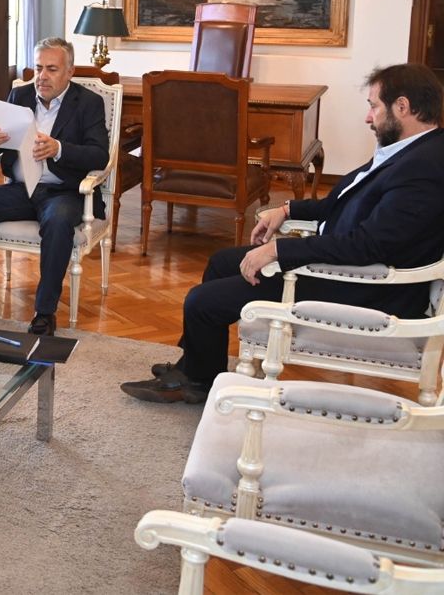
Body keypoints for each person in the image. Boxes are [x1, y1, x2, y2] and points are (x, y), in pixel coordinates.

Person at [121, 63, 444, 403]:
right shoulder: (409, 153)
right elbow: (340, 202)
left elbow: (370, 245)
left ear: (403, 107)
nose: (368, 117)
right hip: (347, 267)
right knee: (221, 262)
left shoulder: (423, 169)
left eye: (373, 105)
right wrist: (287, 210)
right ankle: (196, 369)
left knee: (202, 302)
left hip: (365, 287)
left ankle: (198, 382)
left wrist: (279, 252)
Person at [0, 37, 109, 336]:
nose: (42, 76)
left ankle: (44, 312)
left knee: (59, 219)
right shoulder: (19, 95)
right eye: (38, 68)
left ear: (69, 71)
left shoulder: (88, 103)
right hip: (22, 189)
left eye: (51, 69)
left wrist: (59, 148)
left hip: (65, 191)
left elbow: (99, 154)